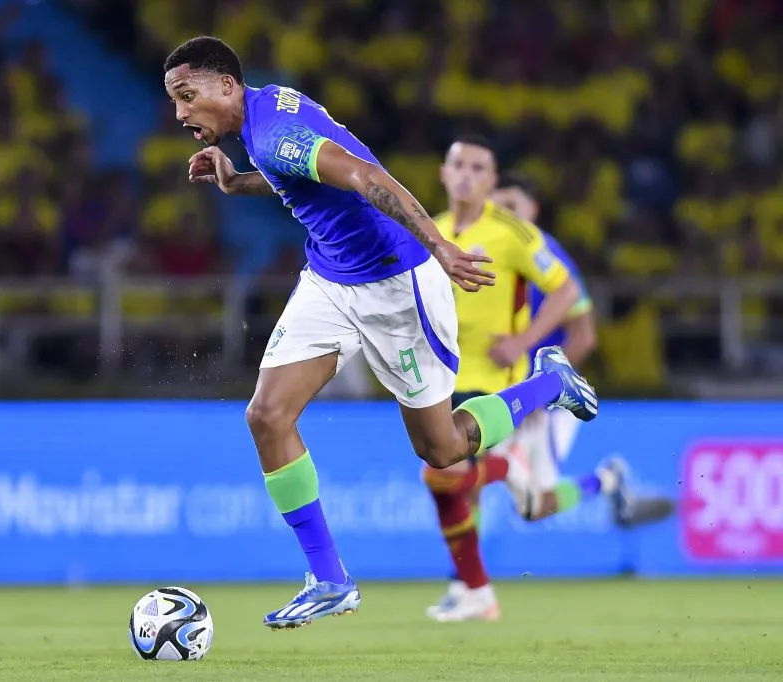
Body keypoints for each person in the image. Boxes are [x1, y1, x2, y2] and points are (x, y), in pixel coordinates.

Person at [163, 36, 598, 630]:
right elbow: (299, 176)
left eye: (187, 97)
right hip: (330, 278)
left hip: (397, 284)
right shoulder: (265, 121)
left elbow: (365, 174)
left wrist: (441, 246)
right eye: (175, 101)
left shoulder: (274, 132)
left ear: (227, 86)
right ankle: (329, 579)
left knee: (442, 450)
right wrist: (237, 182)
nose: (181, 113)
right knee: (267, 416)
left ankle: (548, 383)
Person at [424, 171, 675, 623]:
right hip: (502, 388)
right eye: (499, 206)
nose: (505, 215)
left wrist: (541, 394)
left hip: (545, 396)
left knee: (529, 503)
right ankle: (465, 584)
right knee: (468, 477)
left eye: (514, 207)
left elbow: (584, 334)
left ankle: (606, 481)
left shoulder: (546, 255)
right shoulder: (488, 251)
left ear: (533, 211)